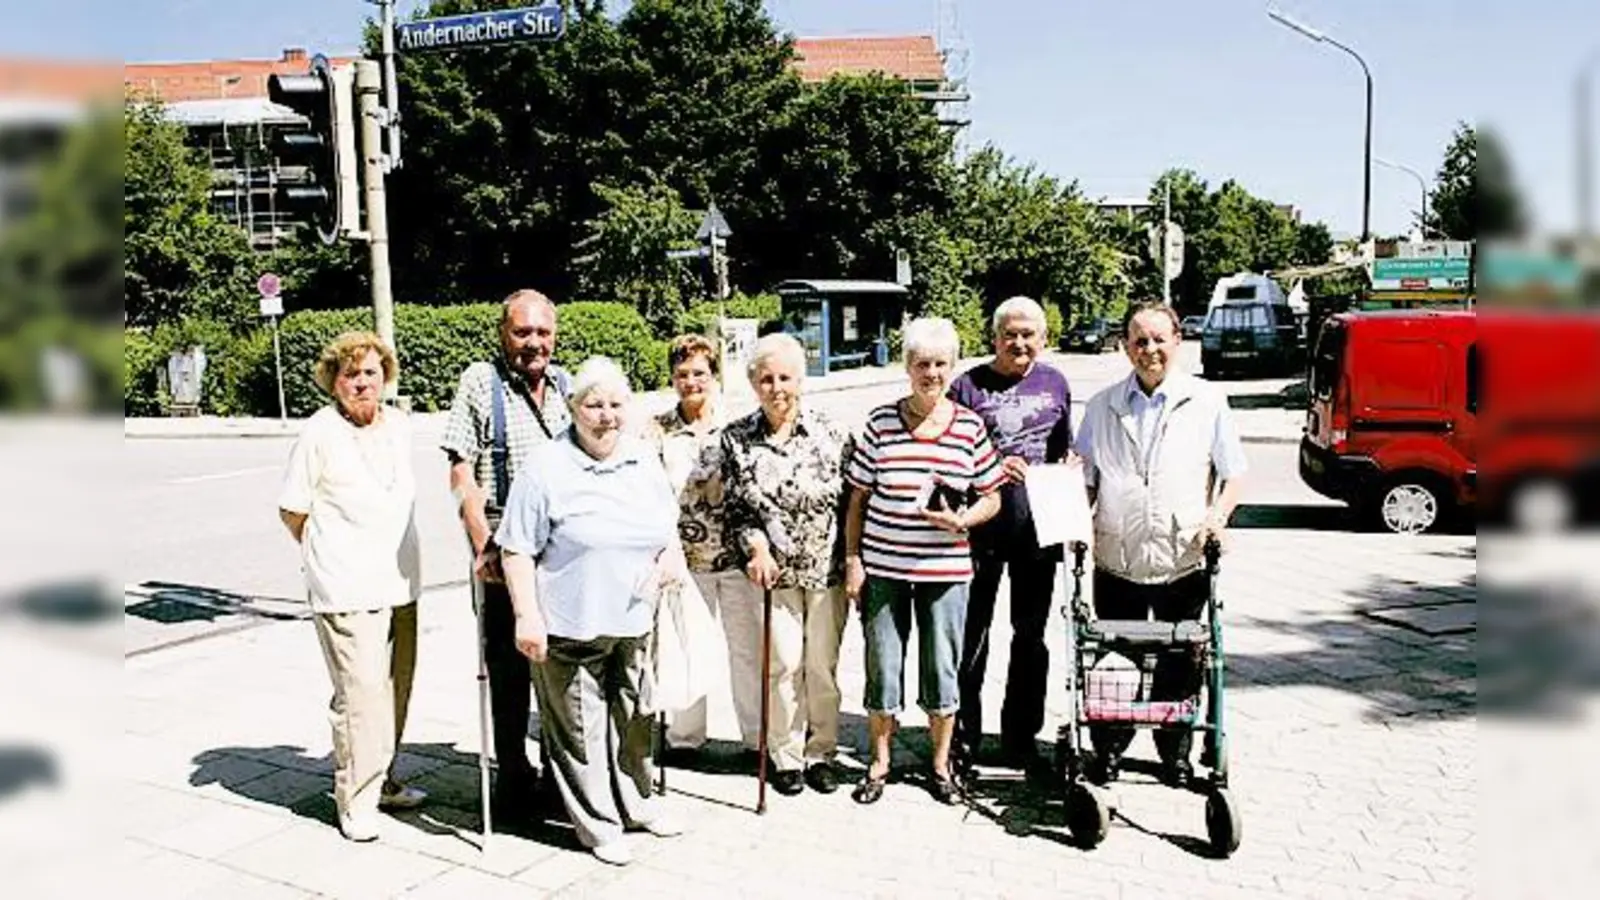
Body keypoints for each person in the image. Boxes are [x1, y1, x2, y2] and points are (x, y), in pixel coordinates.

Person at [495, 357, 688, 866]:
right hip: (569, 623)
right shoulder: (545, 466)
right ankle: (598, 825)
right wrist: (526, 617)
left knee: (636, 716)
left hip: (635, 617)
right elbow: (515, 548)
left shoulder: (642, 457)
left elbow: (667, 522)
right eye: (593, 404)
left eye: (616, 404)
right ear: (573, 408)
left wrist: (669, 555)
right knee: (580, 730)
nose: (606, 415)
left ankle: (638, 803)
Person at [1075, 300, 1247, 788]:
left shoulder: (1207, 401)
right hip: (1117, 558)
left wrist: (1217, 517)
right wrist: (1073, 519)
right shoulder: (1103, 405)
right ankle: (1108, 749)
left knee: (1180, 659)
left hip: (1182, 555)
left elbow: (1234, 475)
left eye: (1158, 339)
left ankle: (1175, 752)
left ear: (1177, 341)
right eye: (1139, 341)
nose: (1149, 349)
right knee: (1115, 660)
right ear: (1125, 346)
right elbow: (1086, 478)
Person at [842, 318, 1006, 805]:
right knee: (883, 666)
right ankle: (880, 762)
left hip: (946, 571)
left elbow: (992, 496)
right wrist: (853, 560)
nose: (930, 373)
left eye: (939, 364)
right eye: (920, 364)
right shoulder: (880, 423)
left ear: (952, 368)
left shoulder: (970, 427)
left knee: (942, 669)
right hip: (885, 567)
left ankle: (940, 765)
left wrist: (965, 521)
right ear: (906, 367)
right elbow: (857, 500)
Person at [276, 331, 426, 842]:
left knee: (393, 689)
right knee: (360, 694)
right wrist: (331, 553)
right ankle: (355, 800)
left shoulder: (400, 426)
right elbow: (292, 510)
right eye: (351, 374)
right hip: (345, 585)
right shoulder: (320, 431)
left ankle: (382, 779)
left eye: (370, 371)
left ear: (385, 375)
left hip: (401, 580)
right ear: (333, 382)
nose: (362, 382)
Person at [439, 289, 571, 821]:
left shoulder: (566, 385)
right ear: (503, 334)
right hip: (501, 551)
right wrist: (482, 545)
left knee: (561, 664)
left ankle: (562, 771)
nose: (533, 343)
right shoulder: (480, 382)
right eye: (523, 332)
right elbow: (461, 473)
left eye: (542, 333)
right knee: (509, 666)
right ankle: (513, 771)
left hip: (560, 556)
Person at [720, 333, 853, 797]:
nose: (777, 387)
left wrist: (855, 560)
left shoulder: (833, 435)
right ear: (753, 383)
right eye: (766, 378)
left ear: (801, 379)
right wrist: (755, 548)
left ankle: (822, 752)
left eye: (785, 377)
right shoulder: (736, 438)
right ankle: (785, 754)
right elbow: (736, 509)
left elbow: (851, 503)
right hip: (772, 573)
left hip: (825, 571)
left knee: (821, 666)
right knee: (781, 665)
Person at [947, 296, 1074, 774]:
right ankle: (963, 737)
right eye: (1010, 334)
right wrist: (992, 466)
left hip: (1037, 534)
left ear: (1043, 339)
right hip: (977, 533)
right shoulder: (968, 385)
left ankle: (1021, 737)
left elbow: (1064, 453)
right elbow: (950, 456)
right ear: (994, 337)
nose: (1019, 343)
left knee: (1031, 637)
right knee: (971, 637)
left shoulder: (1056, 382)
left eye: (1029, 335)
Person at [640, 335, 765, 756]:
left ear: (714, 376)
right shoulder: (657, 429)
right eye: (682, 373)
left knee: (746, 653)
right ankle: (685, 737)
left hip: (734, 557)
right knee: (686, 649)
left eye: (699, 372)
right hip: (684, 560)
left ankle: (756, 738)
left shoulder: (737, 425)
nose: (691, 381)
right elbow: (650, 492)